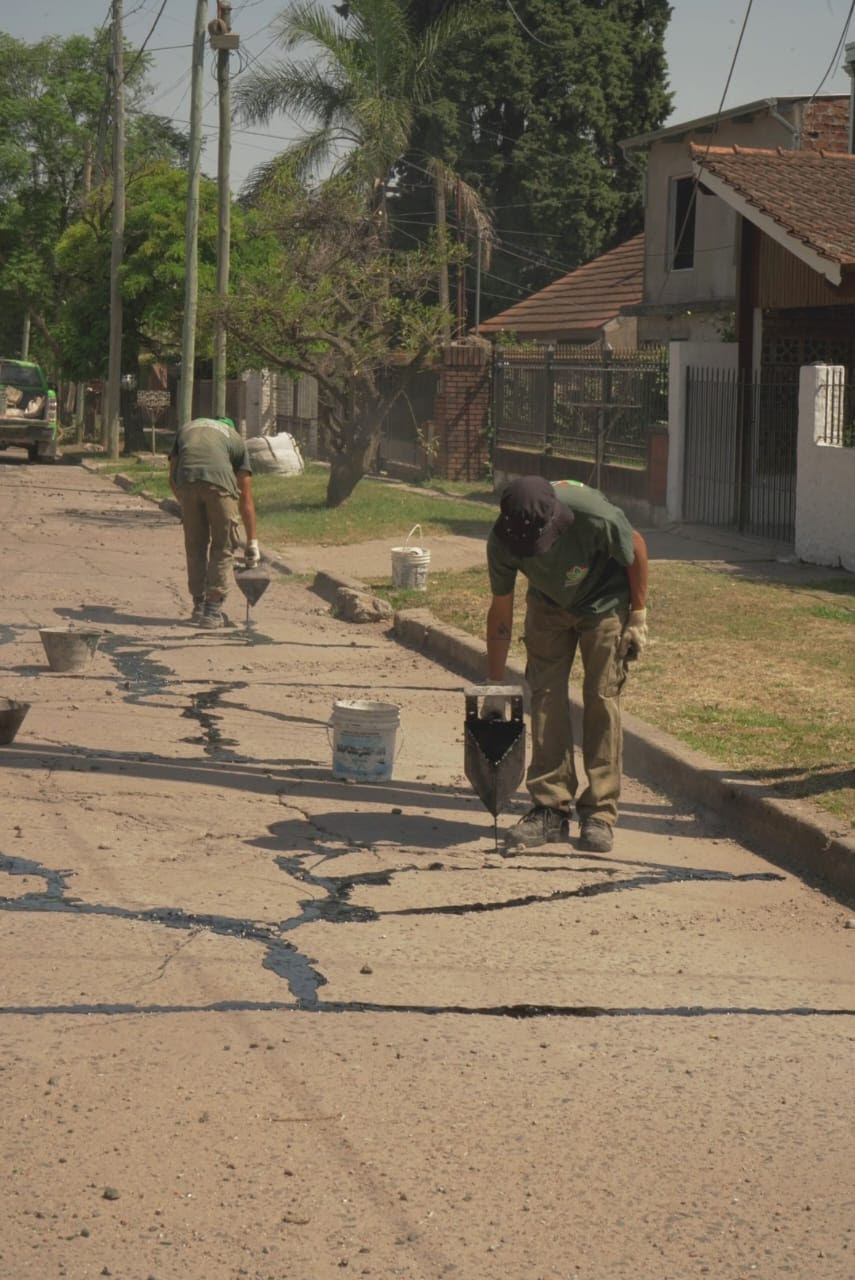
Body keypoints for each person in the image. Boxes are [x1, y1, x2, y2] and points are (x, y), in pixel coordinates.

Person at [485, 475, 649, 854]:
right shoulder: (502, 542)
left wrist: (638, 615)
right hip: (547, 605)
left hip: (604, 600)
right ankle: (550, 808)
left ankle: (600, 813)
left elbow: (636, 547)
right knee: (545, 697)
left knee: (601, 697)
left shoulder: (593, 514)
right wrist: (494, 684)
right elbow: (501, 612)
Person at [168, 416, 259, 629]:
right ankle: (212, 610)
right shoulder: (235, 439)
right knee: (223, 545)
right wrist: (252, 542)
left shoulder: (187, 428)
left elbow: (172, 477)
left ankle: (199, 606)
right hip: (220, 485)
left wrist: (186, 503)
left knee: (195, 545)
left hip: (186, 482)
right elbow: (245, 496)